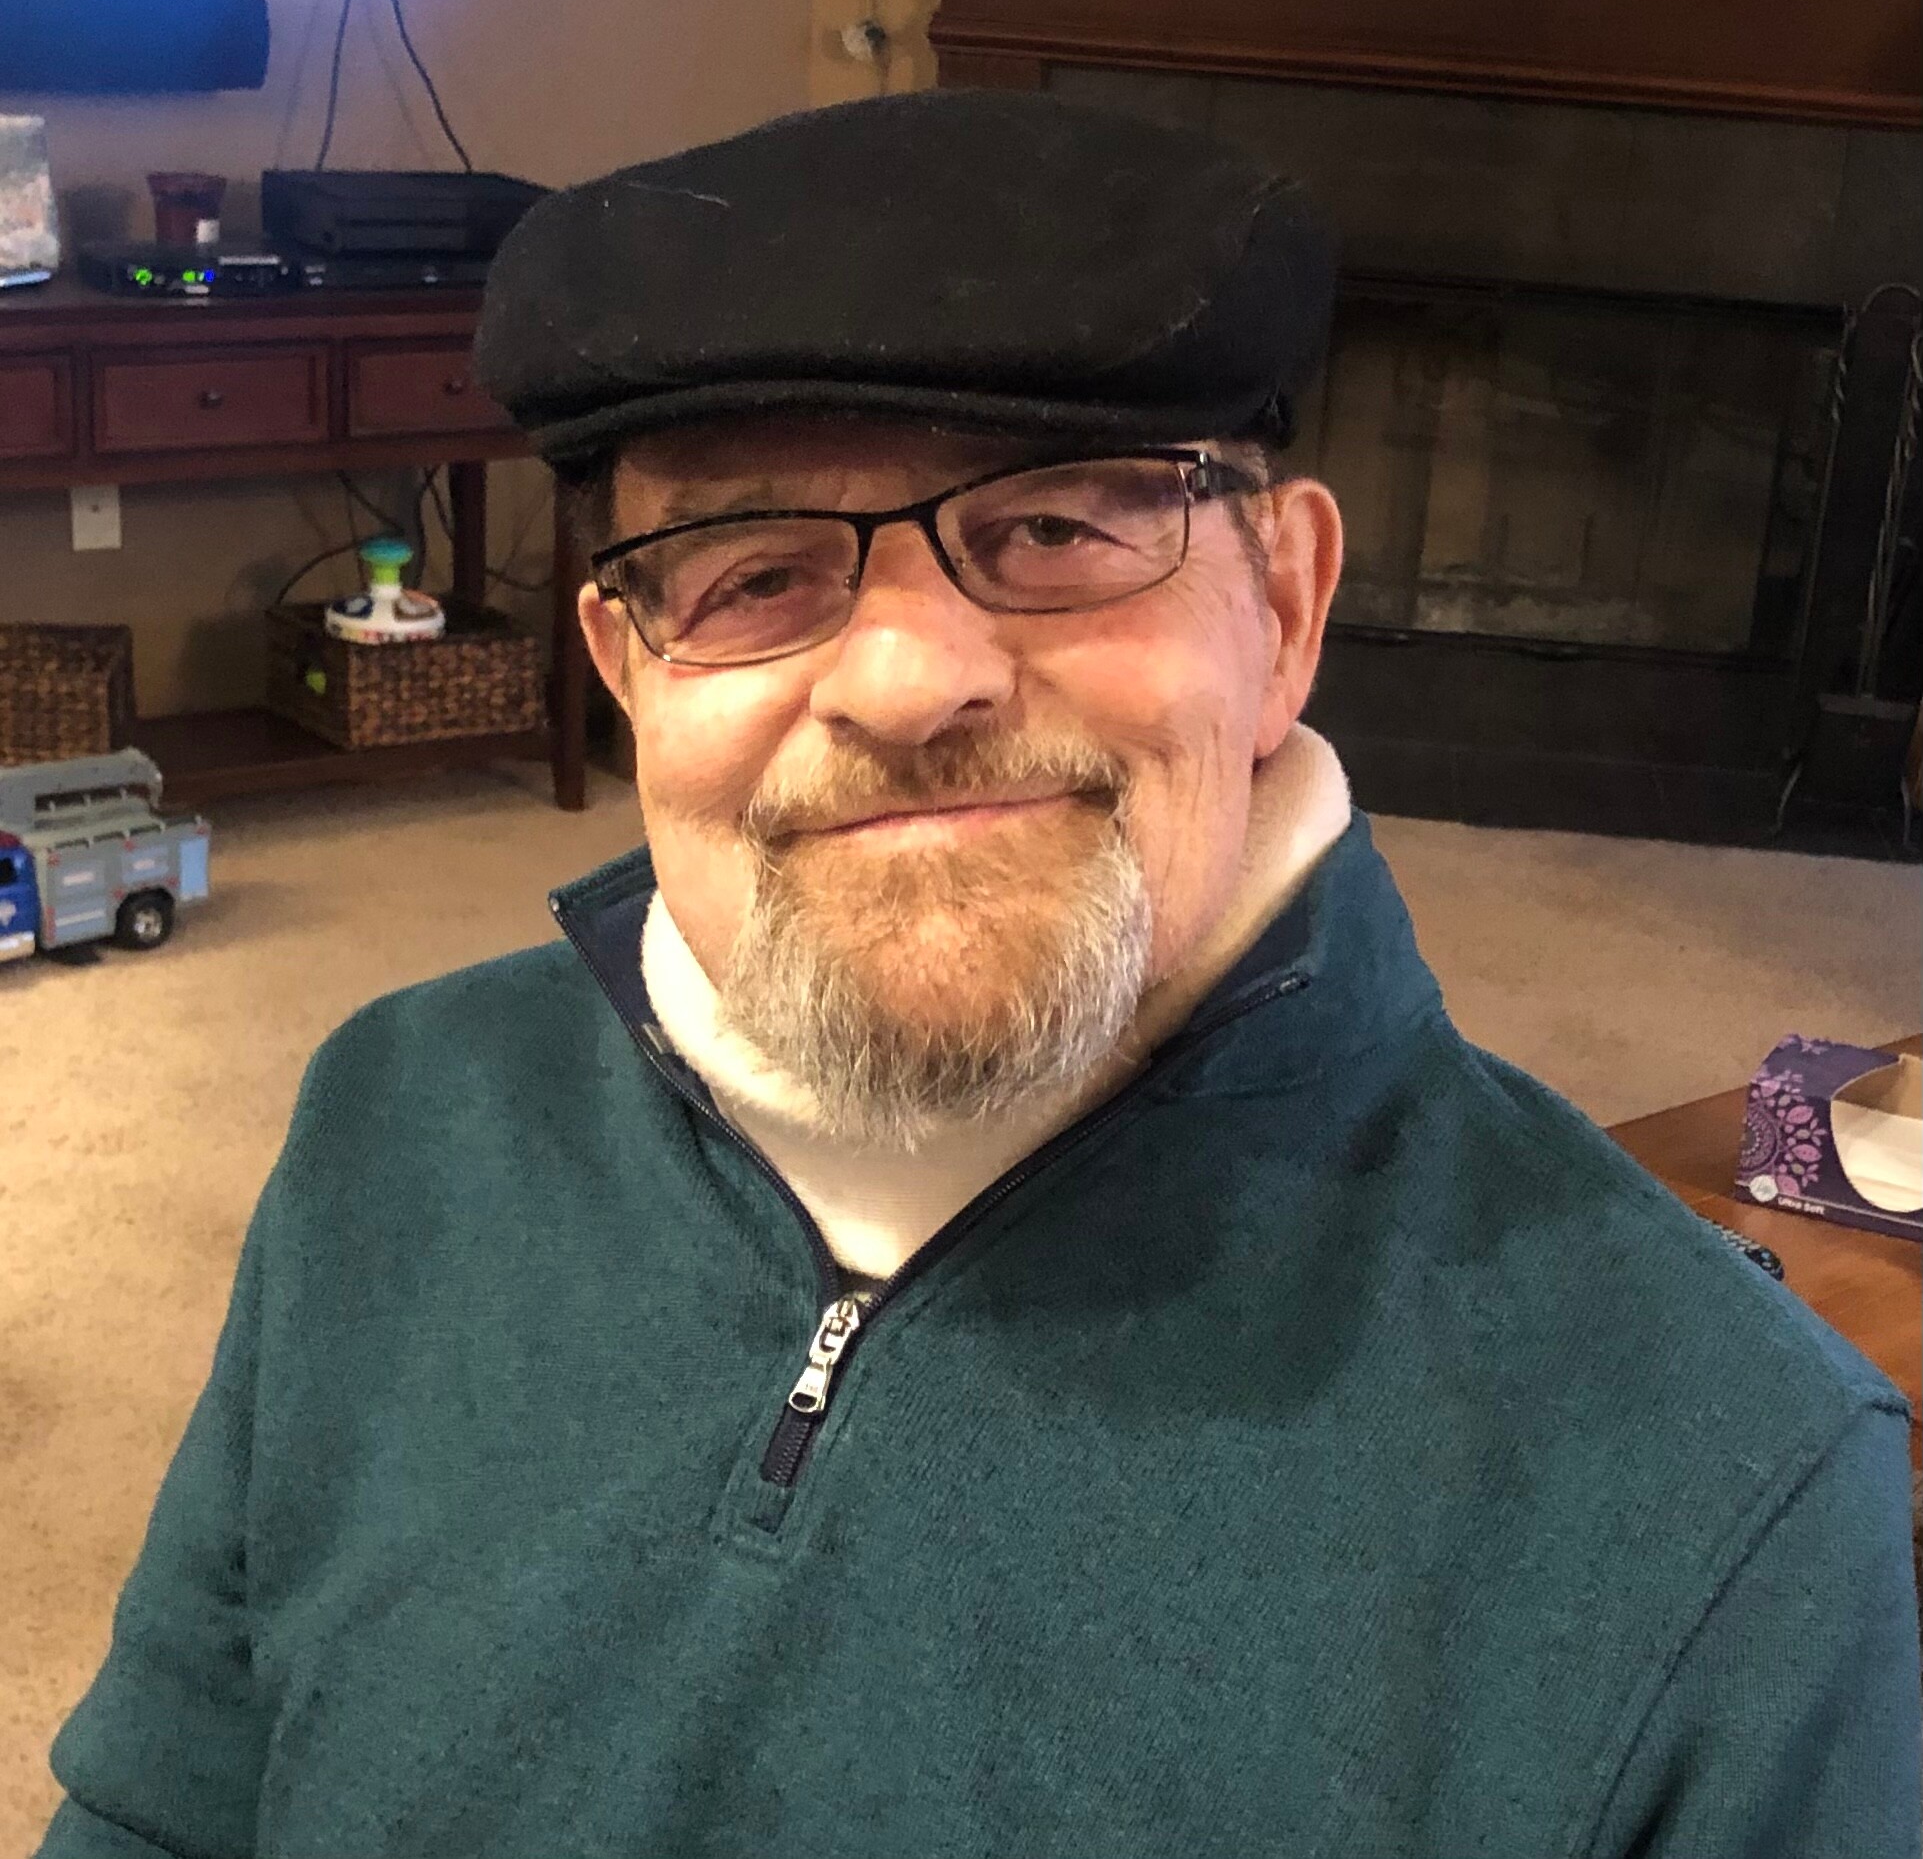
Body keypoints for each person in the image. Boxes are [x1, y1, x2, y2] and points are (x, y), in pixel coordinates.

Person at [35, 90, 1920, 1859]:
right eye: (752, 569)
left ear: (1283, 611)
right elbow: (161, 1813)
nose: (904, 679)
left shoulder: (1727, 1486)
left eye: (1053, 528)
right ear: (625, 673)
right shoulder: (397, 1121)